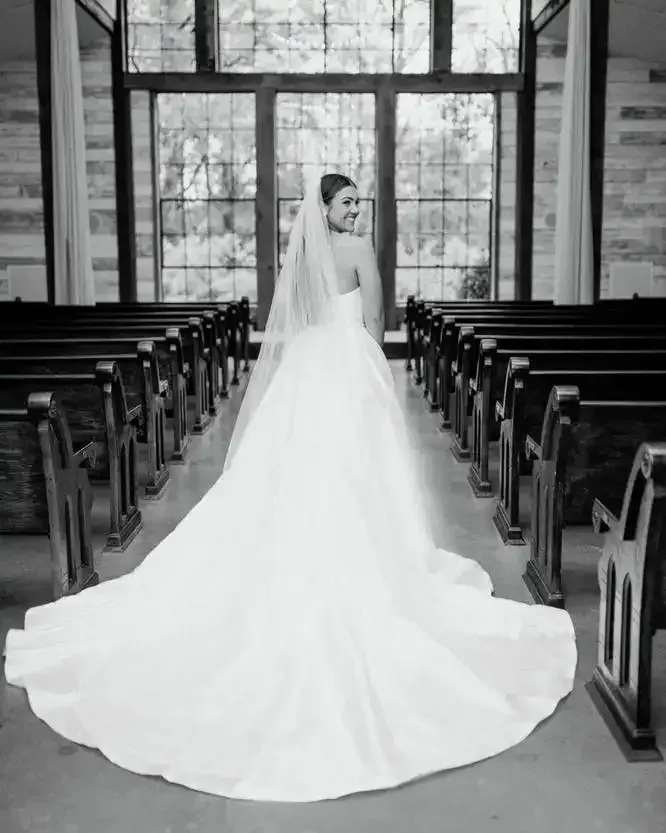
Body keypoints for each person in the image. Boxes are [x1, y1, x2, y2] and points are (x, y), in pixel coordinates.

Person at [3, 171, 577, 804]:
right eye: (347, 203)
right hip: (348, 369)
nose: (357, 211)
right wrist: (369, 366)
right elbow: (379, 324)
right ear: (325, 209)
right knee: (358, 473)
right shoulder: (360, 253)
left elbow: (296, 318)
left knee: (296, 473)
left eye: (359, 202)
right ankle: (361, 566)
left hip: (306, 373)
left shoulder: (301, 255)